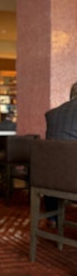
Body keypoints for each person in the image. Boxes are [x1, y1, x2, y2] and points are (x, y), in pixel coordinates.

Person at [44, 81, 77, 228]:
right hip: (73, 179)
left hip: (50, 179)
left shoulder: (52, 114)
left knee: (54, 165)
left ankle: (52, 217)